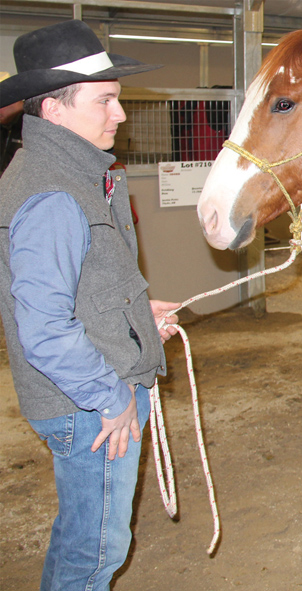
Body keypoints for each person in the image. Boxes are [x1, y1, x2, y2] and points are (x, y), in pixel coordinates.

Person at [0, 20, 180, 590]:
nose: (119, 114)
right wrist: (111, 398)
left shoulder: (68, 174)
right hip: (91, 403)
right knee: (95, 550)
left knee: (85, 536)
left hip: (90, 392)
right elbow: (46, 328)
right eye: (104, 100)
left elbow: (78, 287)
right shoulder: (54, 191)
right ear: (54, 109)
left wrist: (137, 315)